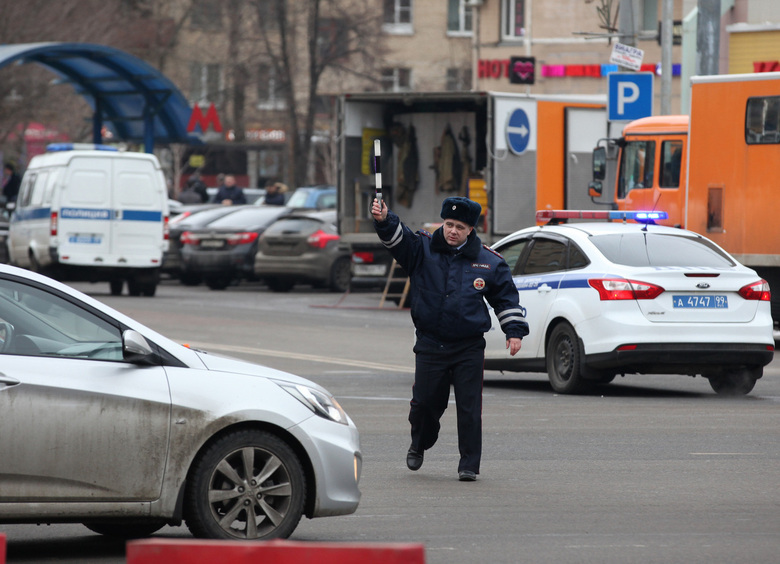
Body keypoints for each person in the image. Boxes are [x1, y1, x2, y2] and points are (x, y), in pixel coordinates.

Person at [371, 196, 528, 481]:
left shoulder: (488, 261)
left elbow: (505, 298)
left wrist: (514, 332)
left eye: (460, 226)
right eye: (449, 224)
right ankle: (419, 443)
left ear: (471, 230)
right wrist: (384, 220)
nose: (453, 231)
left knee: (470, 408)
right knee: (425, 405)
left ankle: (469, 464)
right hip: (431, 344)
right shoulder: (422, 250)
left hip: (468, 346)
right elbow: (399, 240)